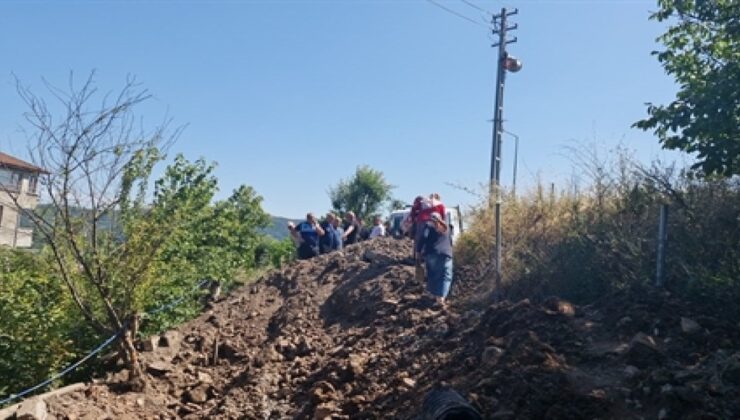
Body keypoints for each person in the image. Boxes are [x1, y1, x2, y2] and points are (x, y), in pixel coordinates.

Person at [416, 212, 453, 307]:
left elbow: (422, 239)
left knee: (432, 275)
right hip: (445, 254)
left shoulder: (428, 227)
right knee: (445, 276)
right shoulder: (447, 227)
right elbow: (450, 241)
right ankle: (440, 298)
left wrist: (418, 253)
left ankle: (433, 295)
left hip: (431, 254)